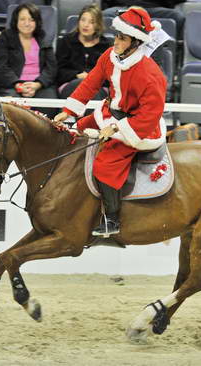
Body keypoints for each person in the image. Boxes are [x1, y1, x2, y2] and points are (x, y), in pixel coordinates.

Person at [54, 7, 167, 237]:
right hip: (108, 114)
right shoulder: (109, 56)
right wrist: (69, 110)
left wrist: (116, 129)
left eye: (122, 38)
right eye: (116, 35)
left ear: (135, 42)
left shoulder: (150, 73)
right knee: (75, 132)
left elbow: (150, 114)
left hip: (136, 127)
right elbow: (90, 84)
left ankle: (112, 220)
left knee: (105, 164)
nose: (115, 41)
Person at [0, 3, 57, 117]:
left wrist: (37, 84)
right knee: (13, 108)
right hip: (11, 85)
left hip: (39, 85)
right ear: (16, 21)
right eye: (22, 19)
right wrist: (18, 84)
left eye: (31, 19)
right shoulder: (6, 37)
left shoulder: (43, 38)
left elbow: (51, 68)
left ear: (37, 22)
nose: (27, 23)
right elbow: (0, 66)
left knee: (49, 104)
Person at [56, 4, 111, 100]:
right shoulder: (66, 41)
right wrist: (77, 75)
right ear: (78, 21)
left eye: (92, 22)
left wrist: (92, 78)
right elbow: (58, 71)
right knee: (79, 85)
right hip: (70, 84)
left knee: (91, 89)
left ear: (98, 25)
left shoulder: (106, 46)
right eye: (83, 20)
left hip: (98, 87)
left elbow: (109, 75)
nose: (86, 25)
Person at [102, 0, 185, 39]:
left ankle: (175, 53)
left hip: (155, 8)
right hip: (125, 8)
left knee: (178, 17)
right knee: (105, 15)